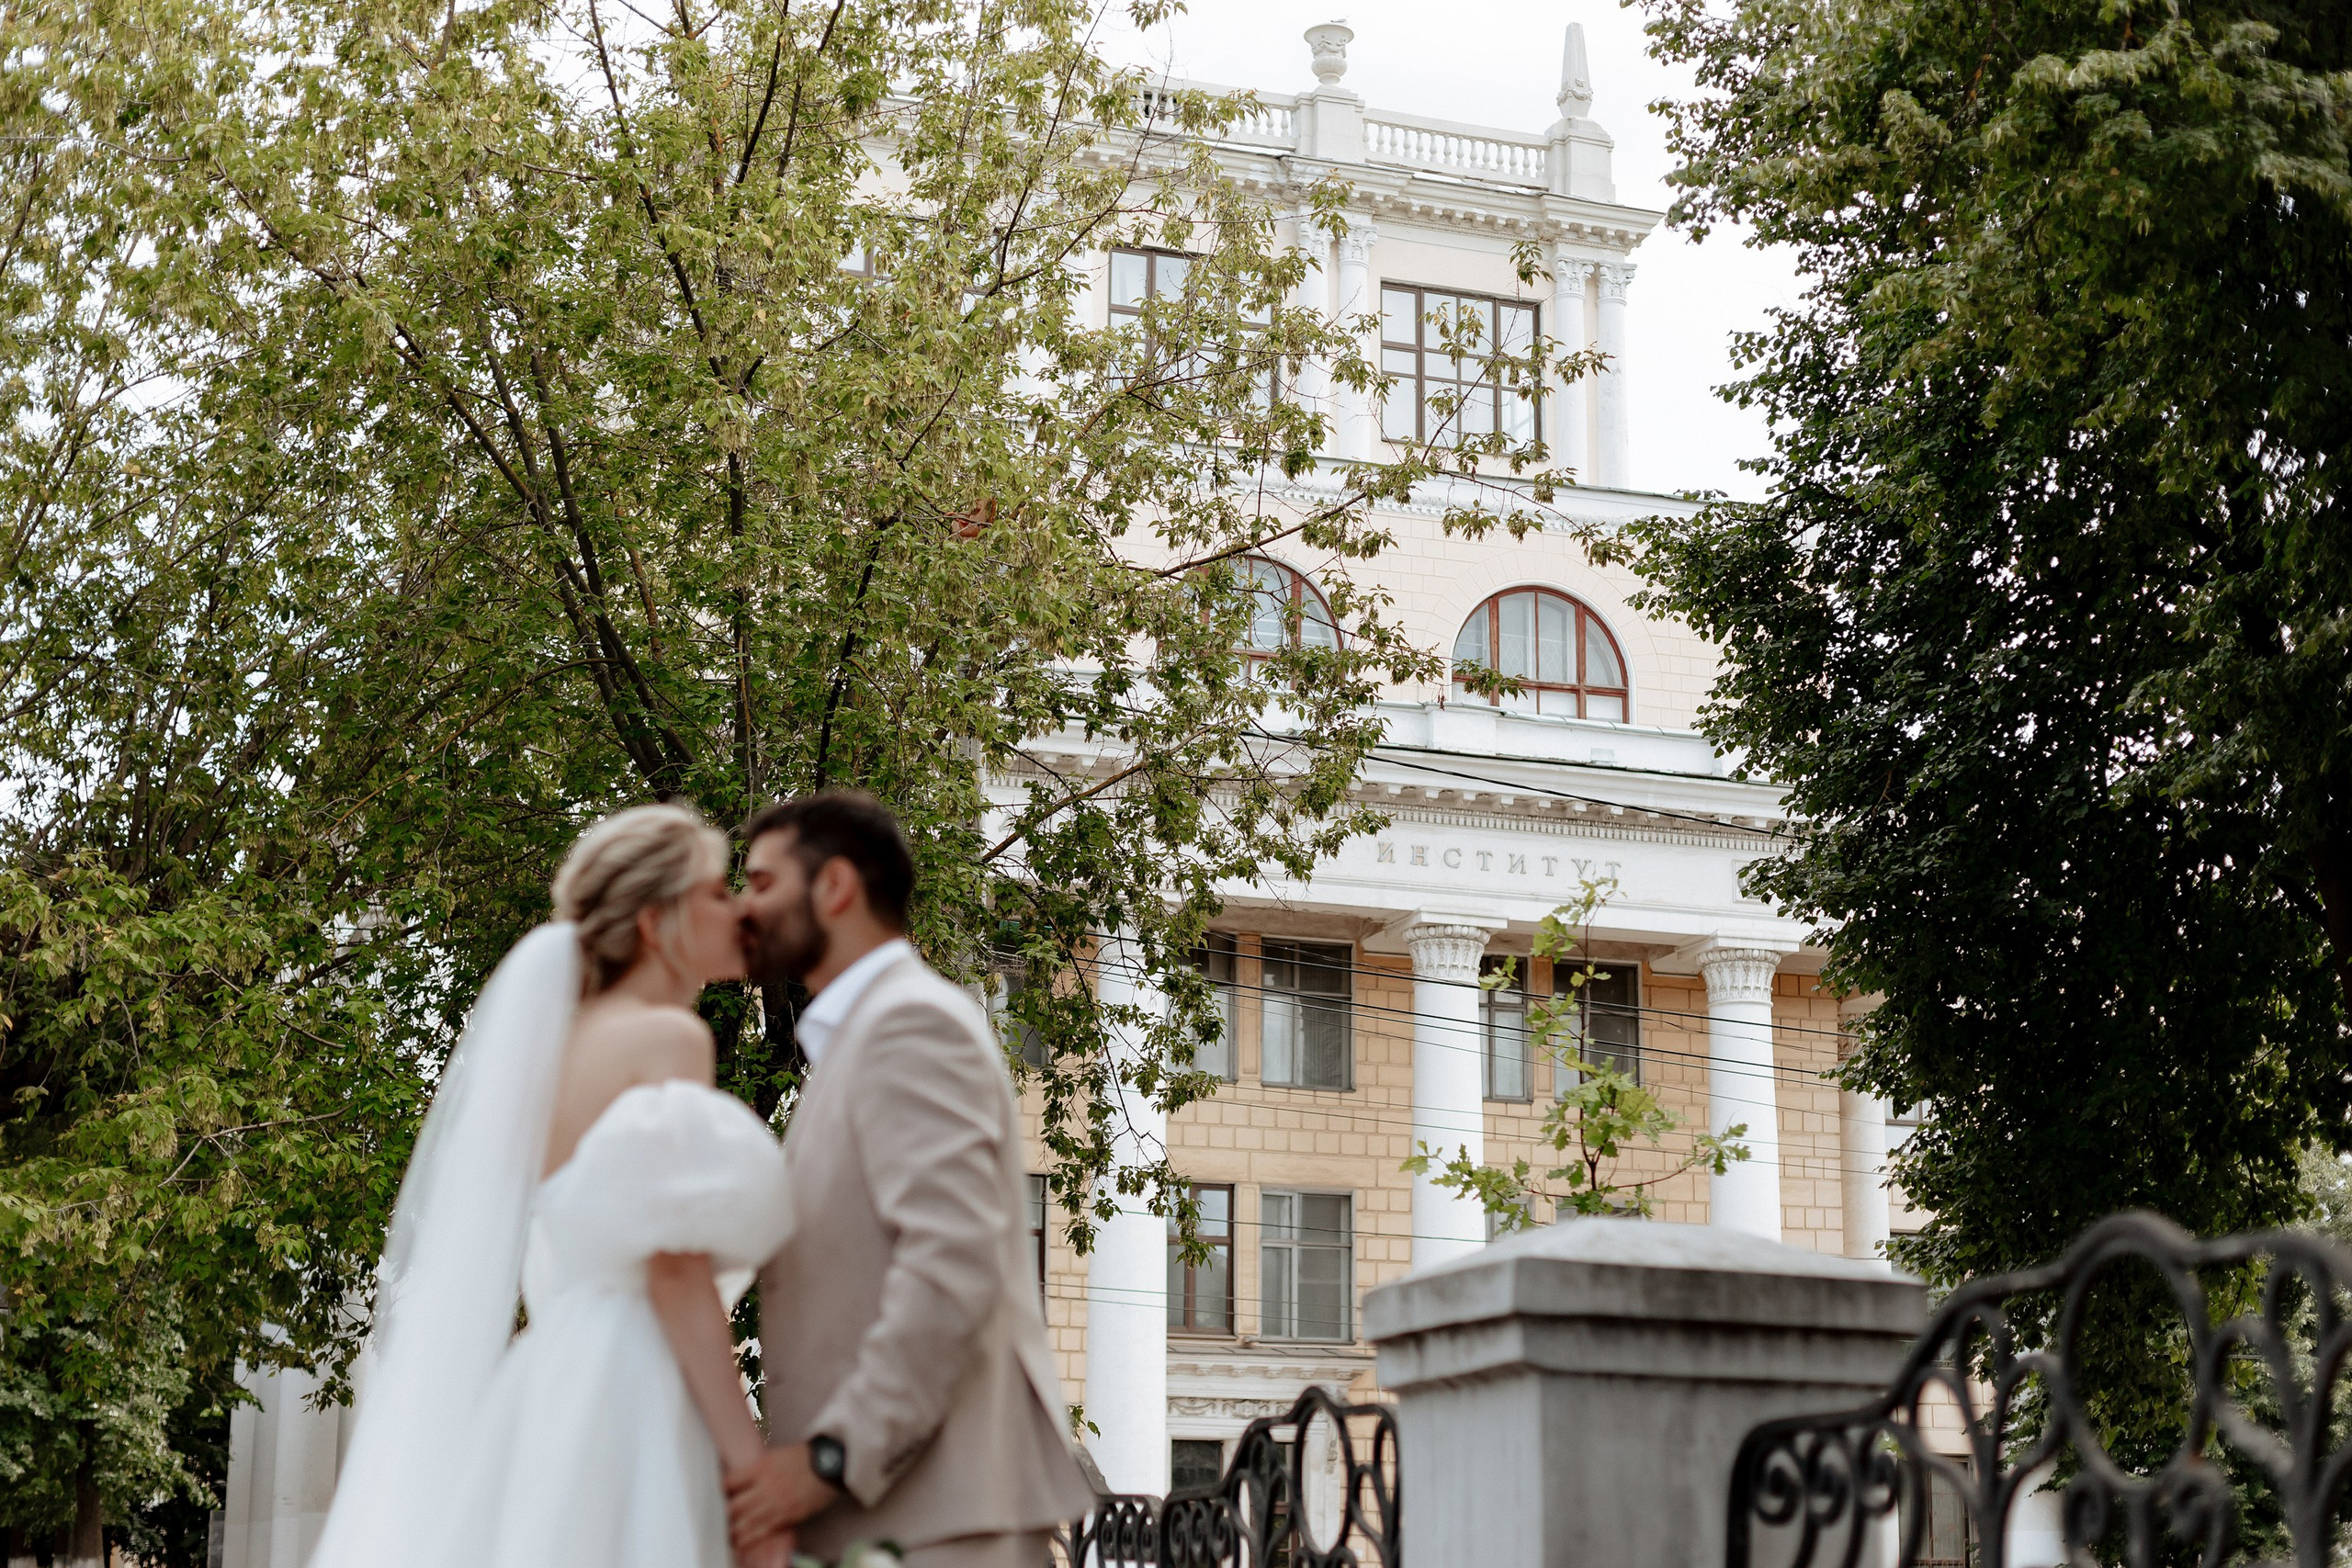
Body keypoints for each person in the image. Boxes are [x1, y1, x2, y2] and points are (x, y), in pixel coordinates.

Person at [310, 803, 794, 1568]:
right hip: (636, 1382)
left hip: (552, 1380)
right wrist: (748, 1464)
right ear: (653, 921)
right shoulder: (667, 1038)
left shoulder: (552, 1053)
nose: (734, 911)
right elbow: (673, 1269)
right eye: (712, 892)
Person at [727, 790, 1093, 1568]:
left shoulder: (910, 1025)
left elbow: (952, 1261)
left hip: (939, 1520)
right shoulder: (856, 1039)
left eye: (761, 883)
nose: (743, 907)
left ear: (834, 888)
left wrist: (834, 1455)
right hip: (898, 1516)